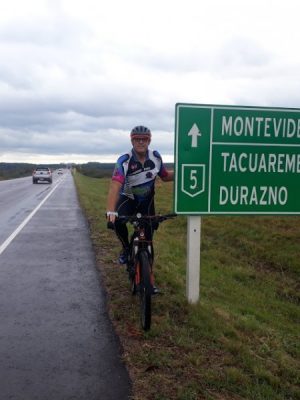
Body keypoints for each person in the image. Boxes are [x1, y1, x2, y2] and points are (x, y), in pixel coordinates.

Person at [106, 125, 174, 264]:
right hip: (128, 199)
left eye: (144, 139)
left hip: (147, 203)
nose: (141, 142)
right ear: (132, 141)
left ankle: (149, 279)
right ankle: (126, 248)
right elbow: (115, 185)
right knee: (118, 222)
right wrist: (111, 211)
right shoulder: (124, 160)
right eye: (137, 139)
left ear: (149, 141)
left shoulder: (155, 157)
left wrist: (183, 170)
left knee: (148, 241)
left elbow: (165, 176)